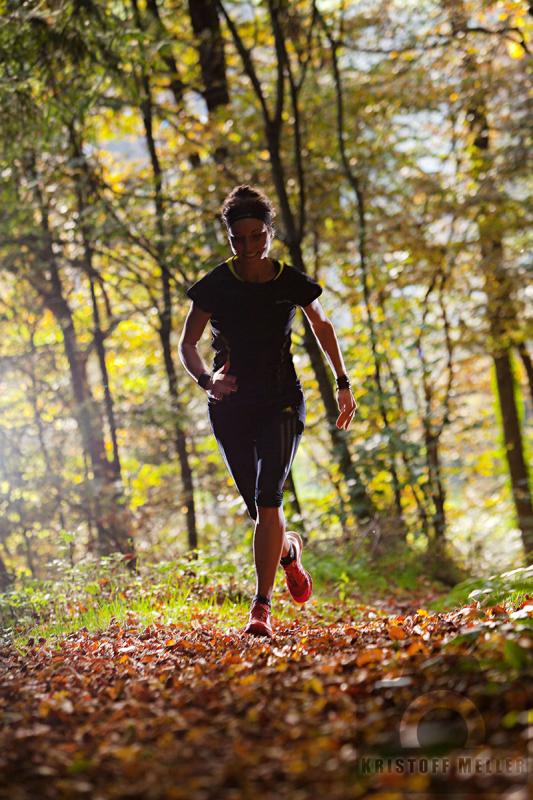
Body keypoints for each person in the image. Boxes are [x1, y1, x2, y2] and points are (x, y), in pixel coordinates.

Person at [179, 185, 357, 638]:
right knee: (261, 512)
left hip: (281, 400)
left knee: (268, 498)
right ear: (230, 239)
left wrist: (342, 383)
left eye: (257, 236)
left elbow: (322, 324)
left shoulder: (289, 280)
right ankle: (289, 554)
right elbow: (187, 344)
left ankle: (261, 607)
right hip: (231, 406)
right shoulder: (215, 285)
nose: (249, 246)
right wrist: (208, 381)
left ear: (270, 234)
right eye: (239, 239)